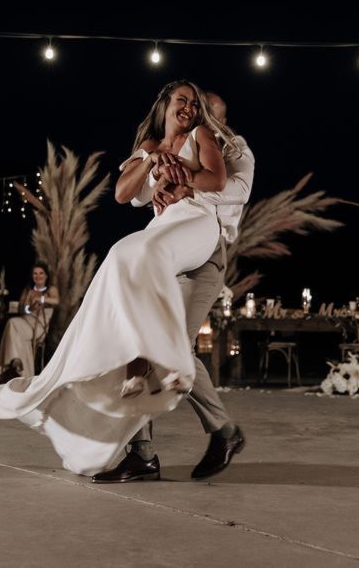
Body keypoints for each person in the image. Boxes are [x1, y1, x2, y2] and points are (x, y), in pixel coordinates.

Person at [0, 80, 238, 476]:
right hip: (162, 230)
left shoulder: (202, 135)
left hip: (195, 229)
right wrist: (151, 157)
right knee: (122, 263)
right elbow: (124, 194)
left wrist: (183, 177)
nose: (189, 107)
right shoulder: (153, 149)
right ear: (163, 106)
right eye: (181, 100)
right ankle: (142, 451)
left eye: (194, 102)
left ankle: (187, 383)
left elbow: (219, 181)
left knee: (144, 262)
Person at [93, 91, 252, 483]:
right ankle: (142, 453)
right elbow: (132, 197)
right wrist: (158, 167)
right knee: (141, 341)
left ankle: (224, 432)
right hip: (167, 250)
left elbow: (236, 190)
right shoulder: (164, 147)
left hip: (205, 255)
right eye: (192, 108)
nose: (198, 117)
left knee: (171, 346)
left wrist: (188, 185)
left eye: (205, 111)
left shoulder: (236, 149)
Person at [0, 263, 59, 380]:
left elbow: (56, 301)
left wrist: (40, 299)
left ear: (46, 276)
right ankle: (17, 363)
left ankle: (12, 364)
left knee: (12, 324)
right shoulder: (28, 290)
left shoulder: (50, 289)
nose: (38, 276)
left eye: (41, 273)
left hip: (39, 326)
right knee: (13, 324)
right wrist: (30, 308)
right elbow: (21, 308)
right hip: (26, 321)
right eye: (35, 273)